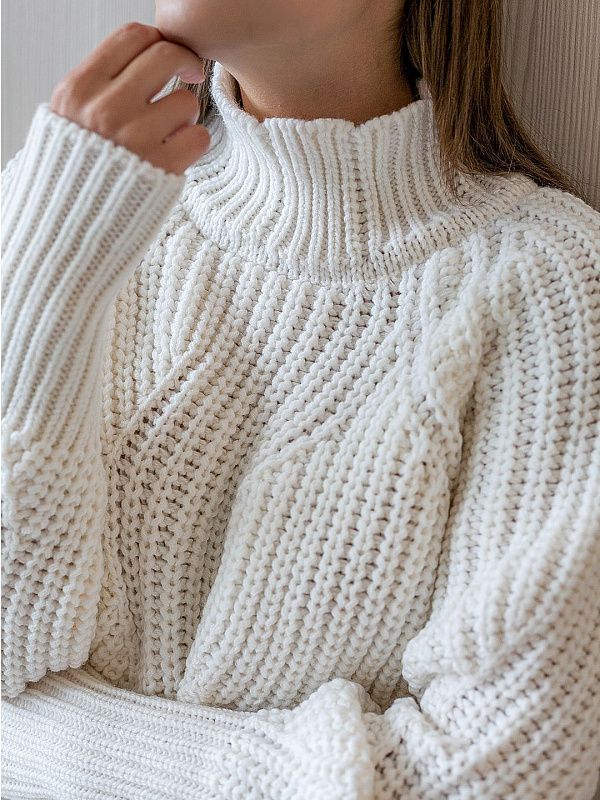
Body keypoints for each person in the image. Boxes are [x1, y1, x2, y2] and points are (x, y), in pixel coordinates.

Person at [1, 1, 599, 798]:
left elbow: (505, 773)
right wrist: (48, 267)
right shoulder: (61, 207)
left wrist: (43, 750)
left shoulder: (552, 285)